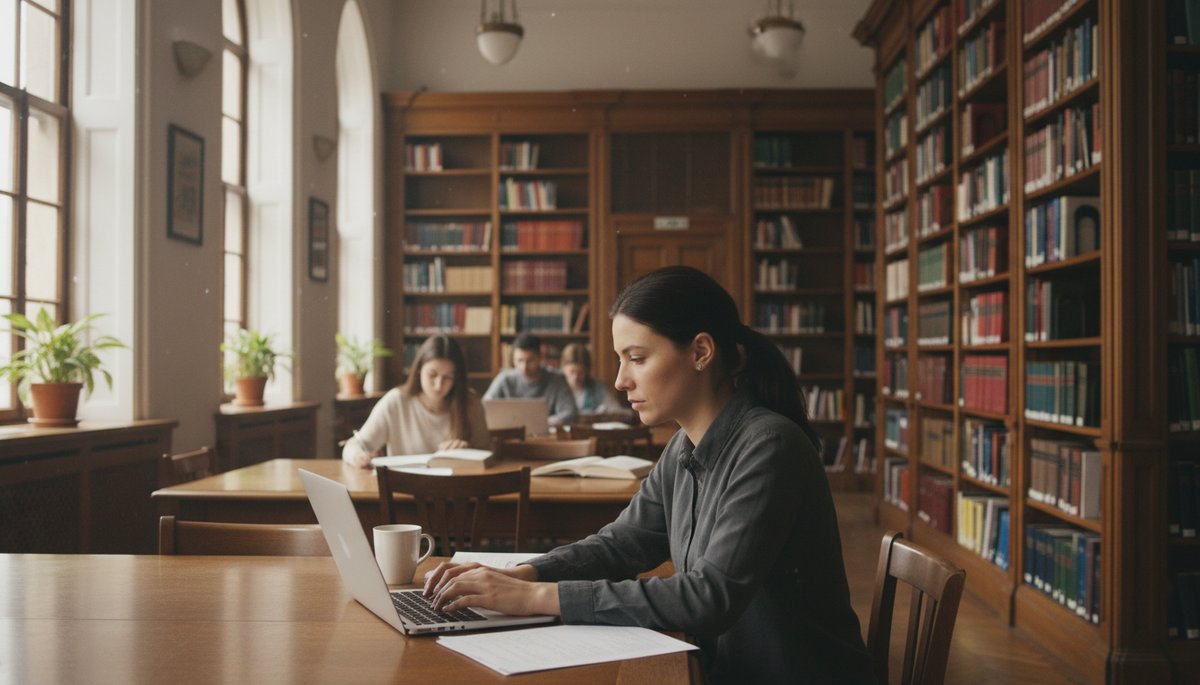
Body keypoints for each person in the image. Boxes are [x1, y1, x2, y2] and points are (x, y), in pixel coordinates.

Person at [423, 266, 875, 684]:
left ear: (700, 352)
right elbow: (623, 543)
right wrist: (526, 573)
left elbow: (708, 598)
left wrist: (535, 598)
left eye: (636, 358)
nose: (620, 380)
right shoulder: (685, 444)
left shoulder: (769, 446)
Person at [341, 335, 490, 468]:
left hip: (457, 494)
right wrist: (358, 456)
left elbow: (489, 454)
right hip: (403, 494)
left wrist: (467, 453)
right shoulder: (396, 401)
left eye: (448, 377)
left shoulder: (470, 403)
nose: (438, 385)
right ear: (419, 371)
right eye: (432, 375)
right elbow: (354, 445)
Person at [483, 333, 578, 427]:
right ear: (513, 359)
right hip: (511, 436)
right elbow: (485, 408)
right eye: (519, 360)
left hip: (547, 437)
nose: (524, 367)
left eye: (530, 361)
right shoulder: (504, 379)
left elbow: (570, 413)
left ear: (540, 358)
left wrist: (540, 423)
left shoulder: (557, 380)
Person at [560, 342, 634, 420]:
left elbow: (617, 410)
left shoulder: (596, 386)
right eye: (572, 372)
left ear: (587, 371)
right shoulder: (557, 387)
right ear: (563, 369)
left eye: (580, 372)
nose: (576, 377)